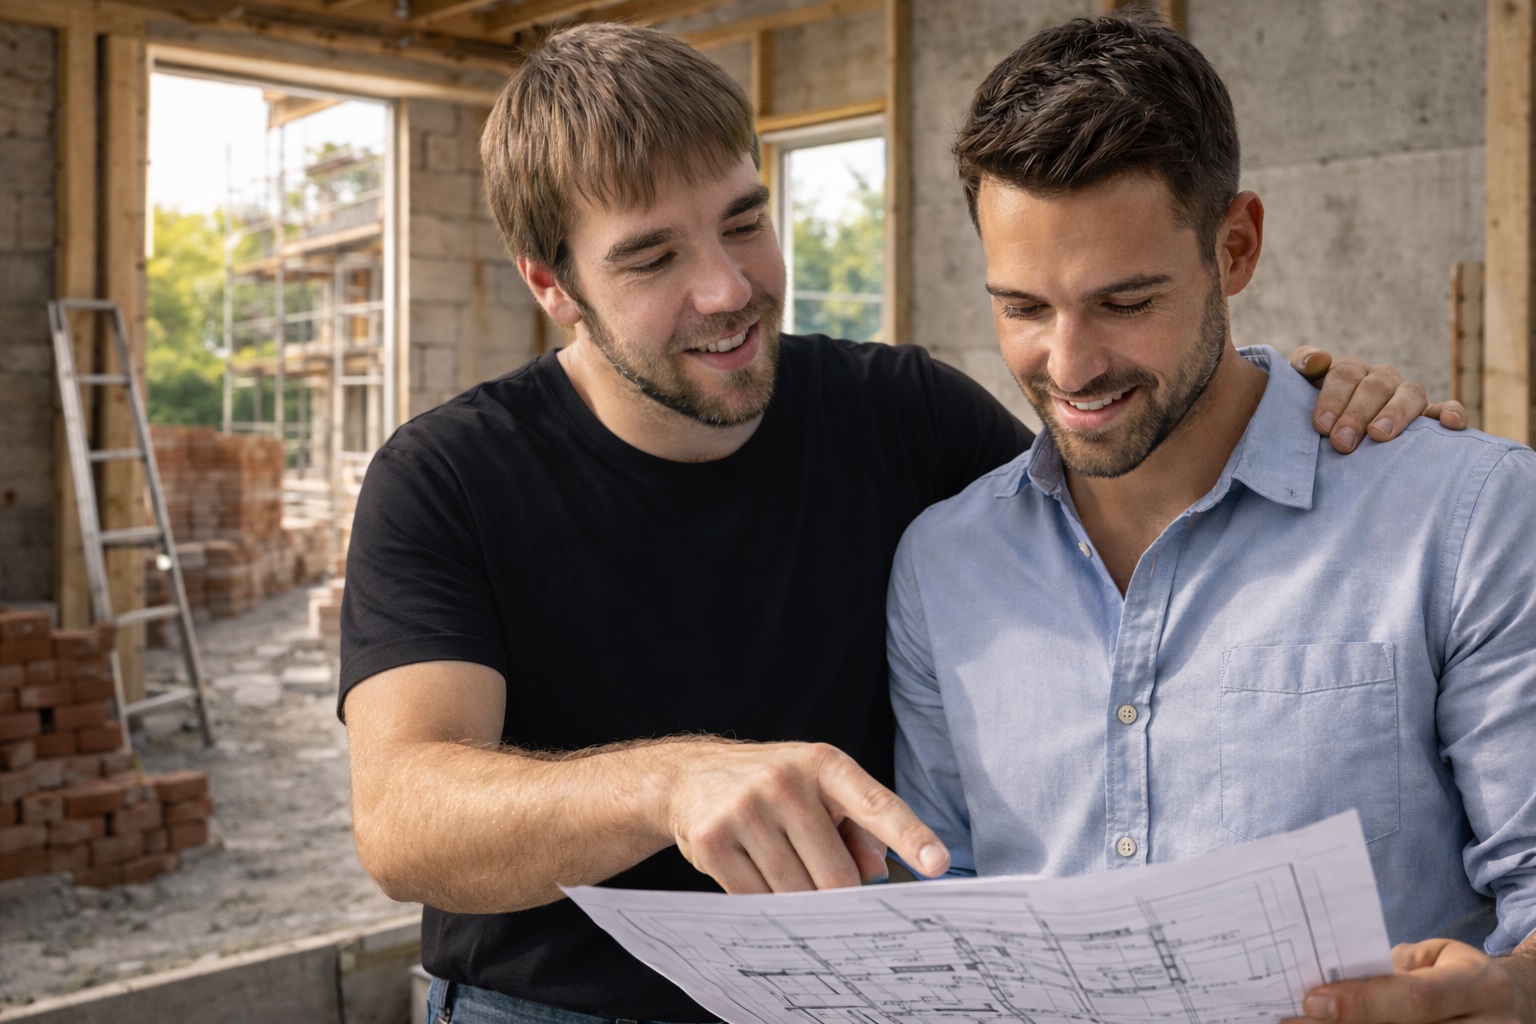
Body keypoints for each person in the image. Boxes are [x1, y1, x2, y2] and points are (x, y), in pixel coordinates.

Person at [339, 22, 1460, 1024]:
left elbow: (1123, 462)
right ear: (553, 286)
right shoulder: (449, 478)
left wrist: (1301, 401)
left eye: (744, 223)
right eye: (653, 258)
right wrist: (668, 783)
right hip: (546, 1008)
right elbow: (401, 821)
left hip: (857, 995)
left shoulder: (901, 415)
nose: (728, 289)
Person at [887, 12, 1536, 1024]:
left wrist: (1507, 989)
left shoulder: (1464, 515)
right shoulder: (943, 566)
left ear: (1234, 249)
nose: (1070, 365)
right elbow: (941, 918)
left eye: (1125, 302)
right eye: (1022, 308)